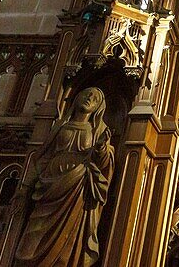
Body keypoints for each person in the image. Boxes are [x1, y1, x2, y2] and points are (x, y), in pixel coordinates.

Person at [17, 87, 114, 267]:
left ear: (99, 107)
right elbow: (43, 156)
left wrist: (101, 148)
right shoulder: (60, 125)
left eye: (94, 98)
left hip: (77, 187)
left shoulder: (98, 130)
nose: (89, 99)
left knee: (69, 238)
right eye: (86, 94)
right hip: (49, 184)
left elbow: (104, 164)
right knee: (35, 232)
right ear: (76, 98)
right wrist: (26, 184)